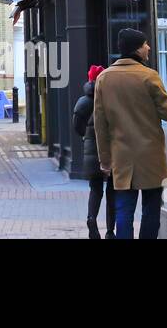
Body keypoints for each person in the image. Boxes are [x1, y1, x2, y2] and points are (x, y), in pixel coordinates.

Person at [94, 28, 167, 239]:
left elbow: (100, 125)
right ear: (137, 49)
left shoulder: (104, 79)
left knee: (124, 211)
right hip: (151, 158)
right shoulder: (149, 76)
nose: (148, 47)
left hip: (122, 158)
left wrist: (105, 161)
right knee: (151, 210)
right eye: (145, 44)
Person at [72, 64, 115, 239]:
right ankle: (111, 231)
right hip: (111, 151)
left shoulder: (83, 102)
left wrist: (87, 137)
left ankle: (91, 218)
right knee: (113, 190)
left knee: (95, 189)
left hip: (91, 151)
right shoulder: (110, 99)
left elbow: (77, 126)